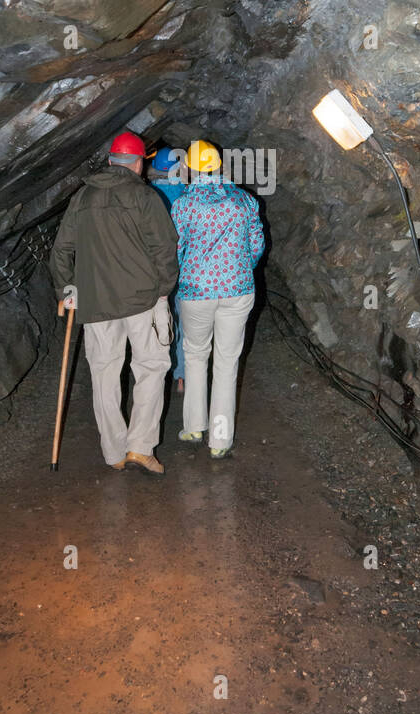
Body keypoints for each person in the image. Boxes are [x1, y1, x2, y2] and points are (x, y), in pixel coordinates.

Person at [49, 131, 178, 475]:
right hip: (143, 300)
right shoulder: (144, 197)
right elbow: (165, 249)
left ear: (109, 162)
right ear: (138, 164)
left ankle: (114, 452)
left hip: (97, 304)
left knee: (104, 375)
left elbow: (61, 250)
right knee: (150, 368)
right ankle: (140, 447)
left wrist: (67, 289)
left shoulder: (81, 199)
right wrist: (165, 288)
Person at [172, 139, 265, 459]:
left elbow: (176, 249)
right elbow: (256, 246)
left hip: (195, 291)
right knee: (227, 363)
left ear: (192, 168)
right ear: (219, 165)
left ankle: (194, 425)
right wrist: (237, 273)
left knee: (195, 355)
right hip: (237, 291)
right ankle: (220, 440)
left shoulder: (184, 204)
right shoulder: (245, 201)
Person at [146, 146, 187, 393]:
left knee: (159, 322)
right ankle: (181, 375)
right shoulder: (188, 194)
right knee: (185, 323)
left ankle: (158, 374)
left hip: (156, 271)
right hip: (186, 270)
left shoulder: (146, 195)